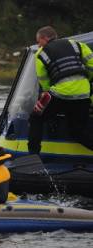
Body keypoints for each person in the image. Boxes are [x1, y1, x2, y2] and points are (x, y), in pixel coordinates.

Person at [28, 26, 93, 154]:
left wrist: (48, 92)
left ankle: (33, 156)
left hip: (60, 93)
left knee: (36, 118)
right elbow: (91, 65)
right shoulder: (77, 45)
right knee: (78, 132)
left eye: (38, 41)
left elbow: (44, 81)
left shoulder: (40, 53)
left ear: (44, 38)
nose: (38, 44)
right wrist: (86, 81)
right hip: (83, 93)